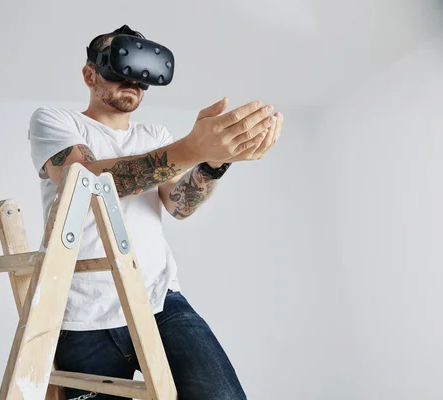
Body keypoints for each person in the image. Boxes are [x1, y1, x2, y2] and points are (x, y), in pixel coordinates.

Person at [27, 25, 283, 400]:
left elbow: (180, 205)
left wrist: (213, 162)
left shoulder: (156, 135)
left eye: (143, 71)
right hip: (83, 312)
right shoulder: (55, 122)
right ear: (90, 74)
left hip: (159, 299)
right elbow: (88, 183)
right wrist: (191, 148)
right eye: (121, 66)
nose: (132, 79)